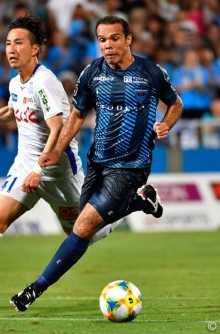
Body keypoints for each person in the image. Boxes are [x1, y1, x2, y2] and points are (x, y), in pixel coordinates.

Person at [0, 15, 156, 315]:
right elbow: (11, 111)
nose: (11, 49)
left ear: (35, 49)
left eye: (18, 43)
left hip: (58, 173)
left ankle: (135, 202)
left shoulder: (45, 82)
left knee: (84, 233)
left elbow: (57, 128)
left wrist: (39, 170)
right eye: (7, 43)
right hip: (24, 168)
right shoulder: (16, 81)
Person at [10, 15, 183, 312]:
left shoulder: (150, 72)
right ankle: (142, 203)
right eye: (102, 40)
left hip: (131, 165)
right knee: (84, 228)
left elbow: (176, 104)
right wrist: (56, 151)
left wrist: (165, 124)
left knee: (84, 225)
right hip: (97, 162)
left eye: (114, 38)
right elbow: (76, 116)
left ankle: (34, 289)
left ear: (128, 39)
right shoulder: (91, 74)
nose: (108, 45)